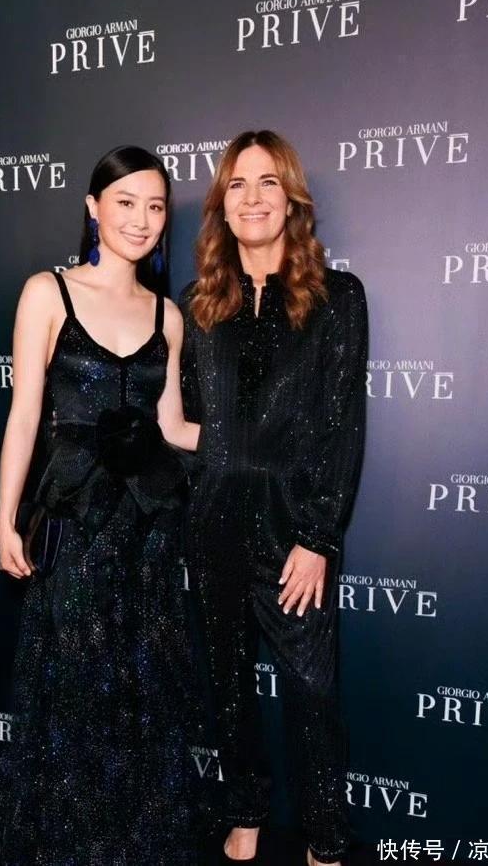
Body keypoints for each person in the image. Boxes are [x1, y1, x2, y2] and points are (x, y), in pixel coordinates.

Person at [0, 146, 200, 866]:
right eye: (126, 202)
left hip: (149, 531)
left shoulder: (169, 316)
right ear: (93, 207)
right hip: (77, 524)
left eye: (155, 206)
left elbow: (172, 426)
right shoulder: (47, 293)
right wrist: (6, 516)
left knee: (144, 689)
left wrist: (251, 438)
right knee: (75, 687)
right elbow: (24, 413)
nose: (141, 219)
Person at [180, 130, 368, 866]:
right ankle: (246, 811)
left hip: (295, 531)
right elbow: (190, 424)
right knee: (228, 690)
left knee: (312, 693)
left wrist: (318, 537)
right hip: (215, 526)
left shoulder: (337, 298)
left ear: (291, 202)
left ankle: (325, 836)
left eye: (268, 183)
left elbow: (342, 425)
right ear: (222, 207)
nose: (252, 198)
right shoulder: (199, 307)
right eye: (237, 184)